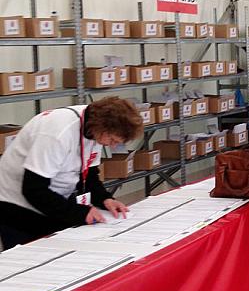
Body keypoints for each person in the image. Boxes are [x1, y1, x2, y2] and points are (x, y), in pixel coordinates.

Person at [0, 97, 142, 250]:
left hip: (49, 199)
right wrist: (79, 213)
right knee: (33, 260)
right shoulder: (57, 132)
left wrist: (105, 199)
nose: (112, 146)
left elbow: (89, 175)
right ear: (102, 126)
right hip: (17, 205)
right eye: (113, 140)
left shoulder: (94, 129)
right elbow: (34, 189)